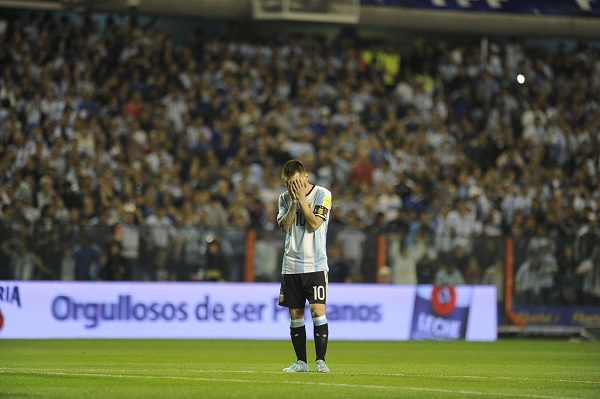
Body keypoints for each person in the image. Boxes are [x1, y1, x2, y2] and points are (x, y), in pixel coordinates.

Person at [277, 159, 332, 373]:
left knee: (318, 310)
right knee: (295, 314)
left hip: (315, 264)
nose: (295, 187)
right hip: (290, 265)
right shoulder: (283, 199)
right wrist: (293, 202)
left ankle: (321, 361)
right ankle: (301, 362)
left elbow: (314, 223)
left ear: (306, 177)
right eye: (290, 184)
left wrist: (301, 200)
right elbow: (284, 226)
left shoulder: (322, 194)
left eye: (298, 182)